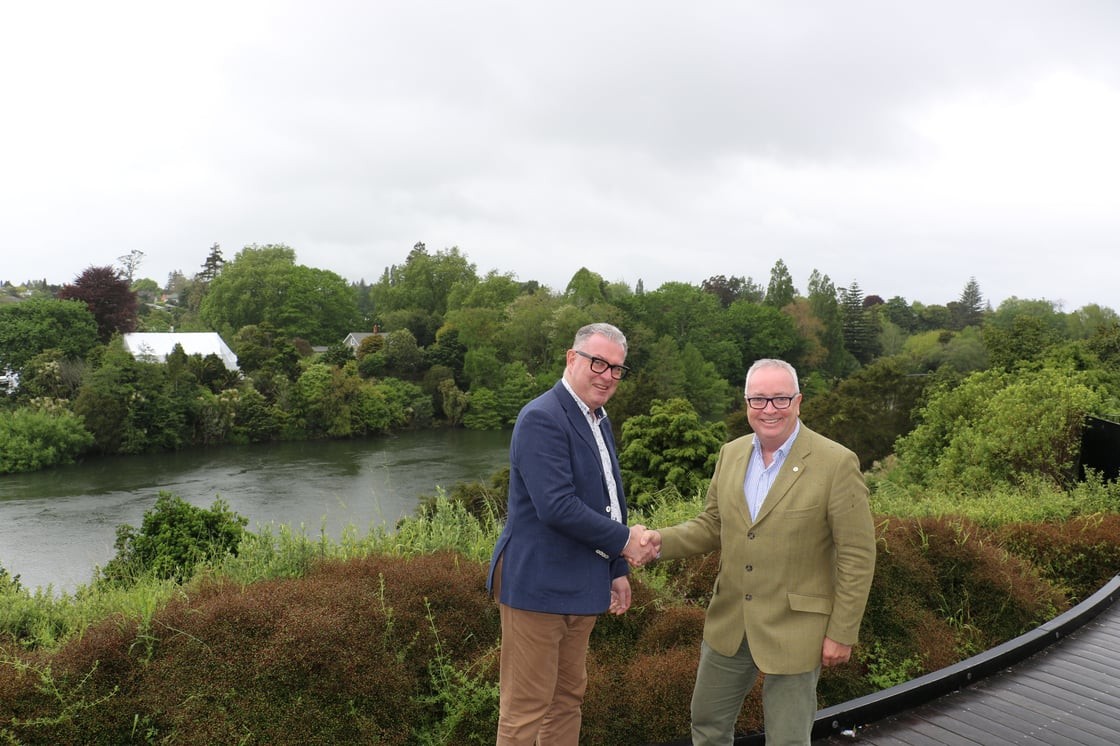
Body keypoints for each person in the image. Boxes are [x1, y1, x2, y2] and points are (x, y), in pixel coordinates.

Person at [636, 358, 876, 746]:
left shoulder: (836, 463)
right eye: (759, 399)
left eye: (780, 399)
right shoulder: (730, 454)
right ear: (746, 402)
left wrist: (842, 632)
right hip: (730, 621)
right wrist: (659, 541)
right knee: (707, 724)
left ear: (798, 402)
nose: (769, 410)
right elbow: (712, 524)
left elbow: (857, 554)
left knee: (787, 739)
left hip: (797, 627)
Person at [487, 322, 657, 745]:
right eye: (598, 362)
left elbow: (608, 497)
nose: (607, 375)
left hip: (581, 582)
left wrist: (616, 569)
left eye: (616, 369)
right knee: (525, 710)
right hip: (537, 588)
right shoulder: (542, 417)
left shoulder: (597, 418)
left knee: (567, 699)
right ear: (571, 358)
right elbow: (557, 507)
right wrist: (625, 541)